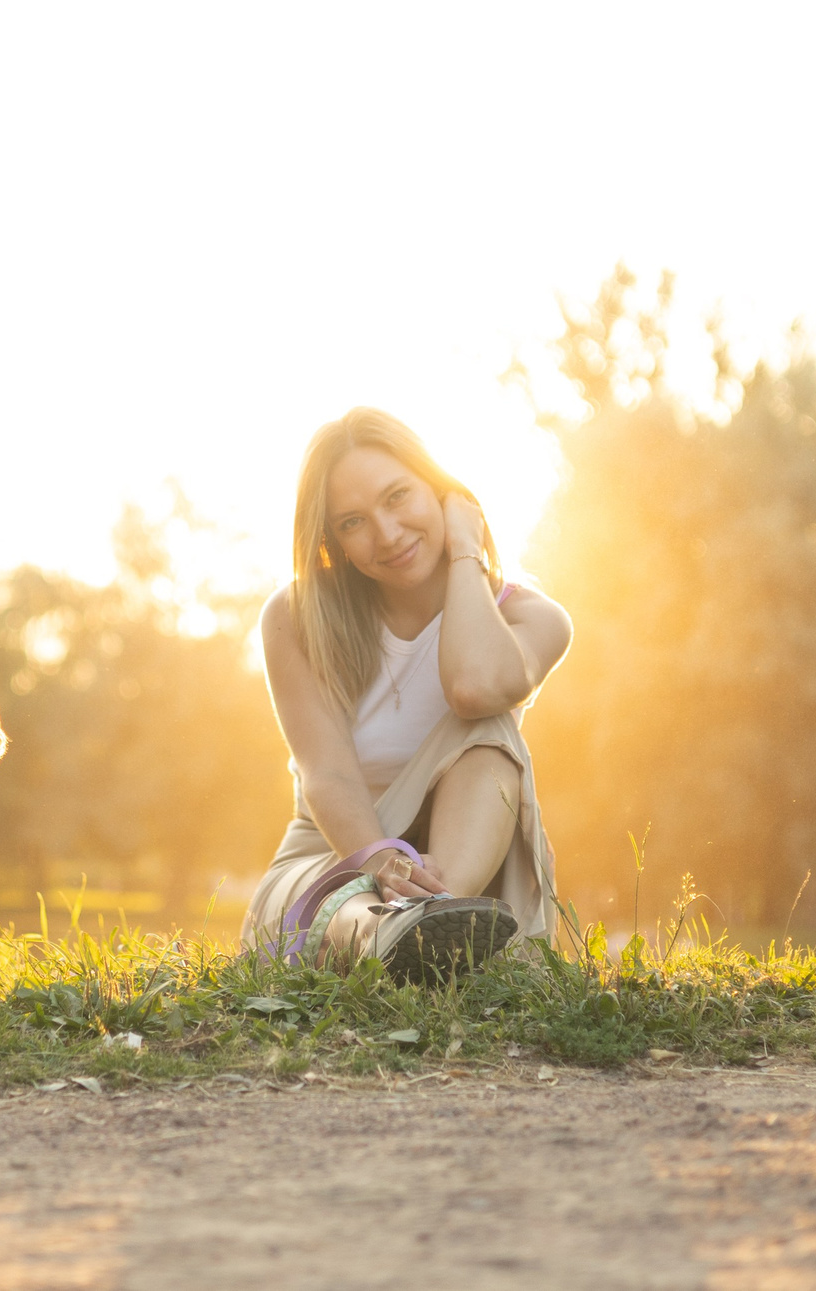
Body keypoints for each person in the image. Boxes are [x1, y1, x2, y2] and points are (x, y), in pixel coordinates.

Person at [242, 408, 571, 978]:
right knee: (353, 906)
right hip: (336, 857)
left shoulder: (536, 620)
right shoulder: (296, 617)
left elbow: (471, 688)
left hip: (459, 866)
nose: (387, 535)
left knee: (489, 730)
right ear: (332, 540)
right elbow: (328, 774)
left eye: (398, 497)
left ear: (440, 488)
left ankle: (430, 923)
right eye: (353, 522)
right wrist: (383, 859)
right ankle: (394, 935)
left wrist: (466, 550)